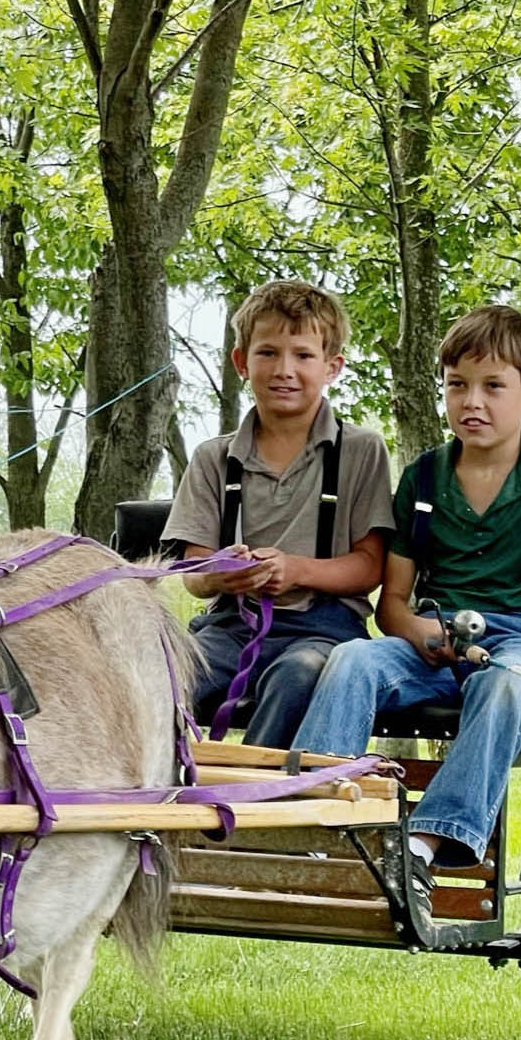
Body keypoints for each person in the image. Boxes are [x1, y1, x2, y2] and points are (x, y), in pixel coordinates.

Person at [292, 304, 521, 927]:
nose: (471, 402)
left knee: (507, 685)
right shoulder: (424, 476)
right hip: (434, 636)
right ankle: (318, 820)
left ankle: (427, 844)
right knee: (351, 659)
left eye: (493, 386)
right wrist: (418, 630)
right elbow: (392, 604)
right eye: (457, 385)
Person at [161, 281, 395, 748]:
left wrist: (295, 570)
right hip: (229, 628)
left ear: (332, 367)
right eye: (268, 353)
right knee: (163, 673)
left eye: (303, 356)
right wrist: (224, 572)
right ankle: (163, 794)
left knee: (302, 674)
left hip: (323, 632)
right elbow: (194, 573)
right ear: (241, 362)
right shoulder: (214, 458)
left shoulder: (361, 450)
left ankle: (257, 802)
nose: (284, 370)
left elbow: (370, 567)